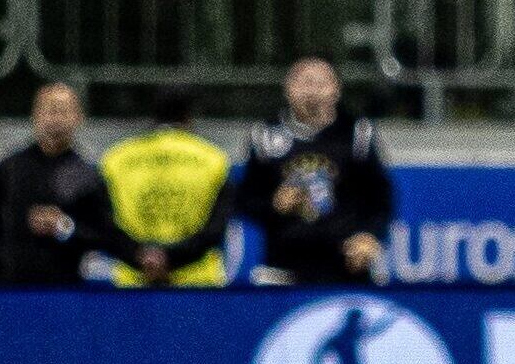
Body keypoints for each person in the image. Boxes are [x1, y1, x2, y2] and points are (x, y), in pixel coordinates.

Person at [240, 57, 394, 285]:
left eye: (321, 83)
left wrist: (370, 235)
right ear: (288, 89)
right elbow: (245, 198)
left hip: (346, 266)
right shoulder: (264, 135)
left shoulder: (357, 133)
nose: (312, 91)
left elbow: (381, 197)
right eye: (304, 82)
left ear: (336, 90)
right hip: (283, 265)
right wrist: (273, 205)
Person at [0, 82, 114, 285]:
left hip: (63, 290)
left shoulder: (86, 175)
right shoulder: (10, 168)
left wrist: (64, 226)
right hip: (10, 289)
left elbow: (104, 235)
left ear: (78, 117)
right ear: (35, 115)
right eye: (50, 110)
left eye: (63, 111)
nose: (55, 118)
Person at [100, 95, 232, 287]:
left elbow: (105, 226)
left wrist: (142, 256)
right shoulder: (215, 159)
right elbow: (215, 229)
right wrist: (170, 257)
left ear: (152, 116)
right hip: (197, 284)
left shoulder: (115, 159)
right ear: (189, 117)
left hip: (133, 284)